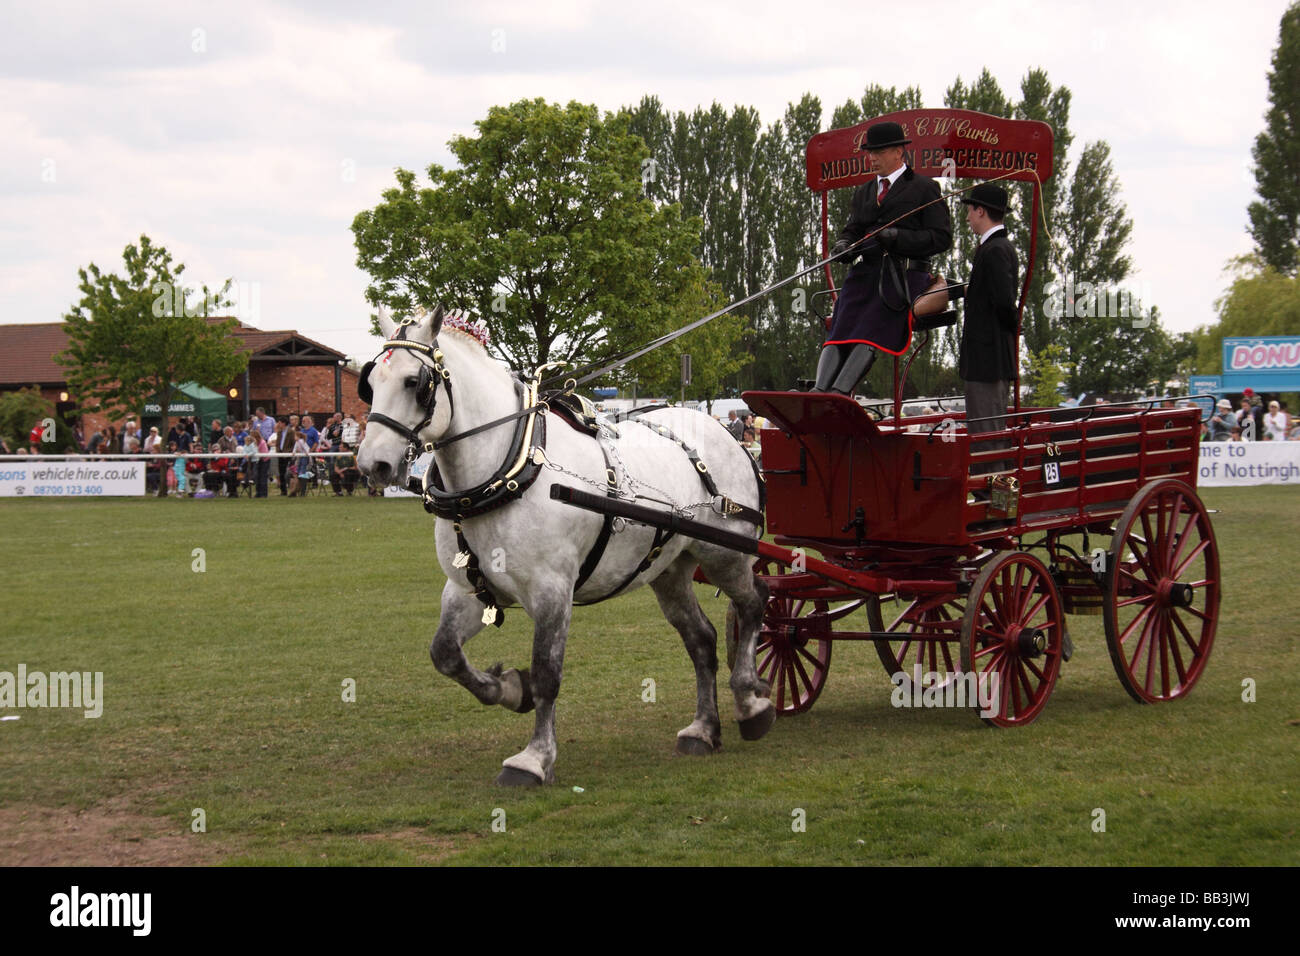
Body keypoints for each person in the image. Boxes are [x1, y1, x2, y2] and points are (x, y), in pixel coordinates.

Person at [817, 121, 952, 394]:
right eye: (870, 152)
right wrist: (844, 245)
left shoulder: (925, 188)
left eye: (878, 151)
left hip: (903, 276)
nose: (872, 158)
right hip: (866, 274)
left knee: (870, 323)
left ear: (899, 152)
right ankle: (820, 390)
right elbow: (853, 229)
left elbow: (942, 238)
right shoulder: (865, 191)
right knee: (841, 322)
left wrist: (898, 238)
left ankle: (839, 392)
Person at [951, 183, 1018, 470]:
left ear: (981, 211)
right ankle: (991, 502)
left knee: (987, 438)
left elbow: (1004, 303)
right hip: (988, 359)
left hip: (988, 362)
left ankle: (995, 506)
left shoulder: (994, 250)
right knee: (985, 435)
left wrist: (1005, 335)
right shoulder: (994, 249)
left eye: (969, 211)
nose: (967, 218)